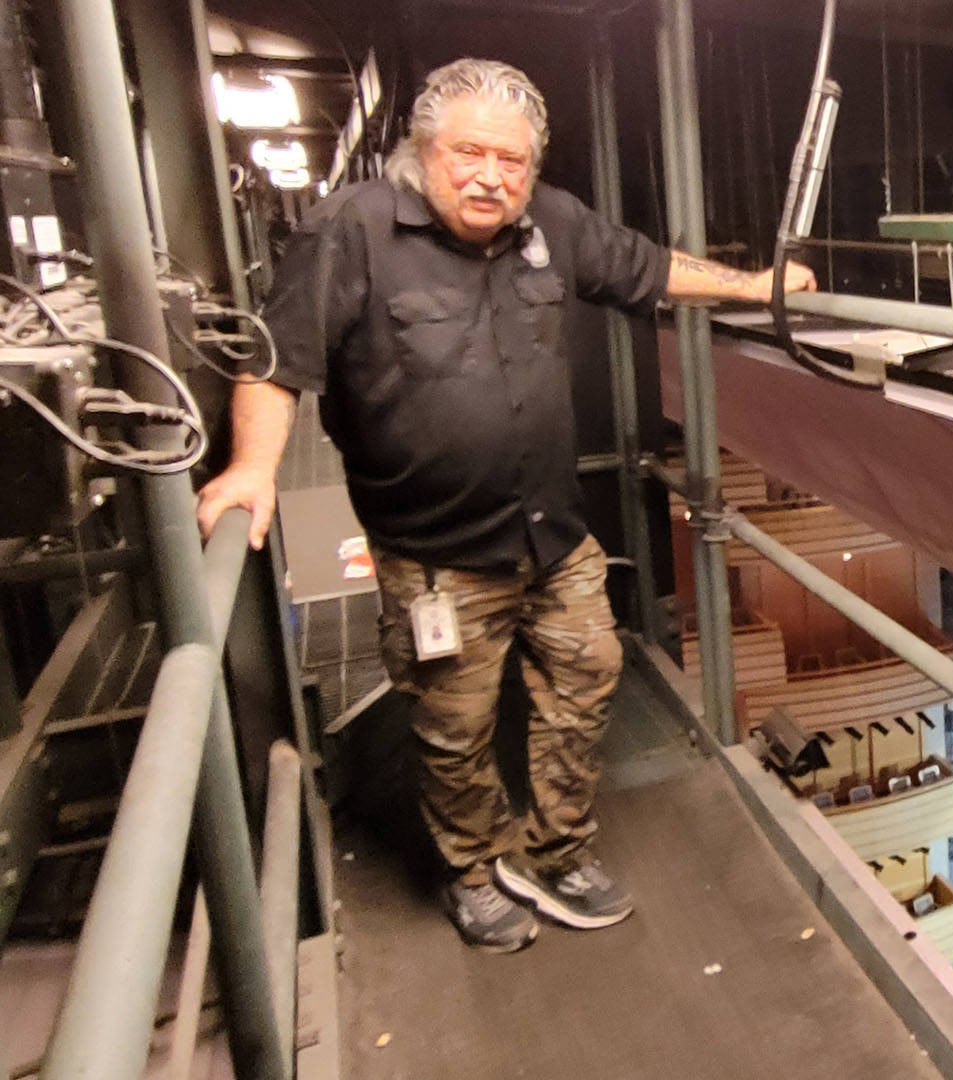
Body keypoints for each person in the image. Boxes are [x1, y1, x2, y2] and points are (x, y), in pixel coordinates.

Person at [196, 58, 815, 953]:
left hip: (553, 538)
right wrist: (254, 466)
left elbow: (648, 269)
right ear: (422, 150)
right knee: (455, 727)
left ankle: (556, 852)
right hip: (435, 556)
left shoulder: (551, 223)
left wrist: (754, 286)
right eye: (470, 154)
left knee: (588, 675)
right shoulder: (351, 231)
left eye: (513, 162)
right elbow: (276, 359)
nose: (492, 177)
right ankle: (473, 870)